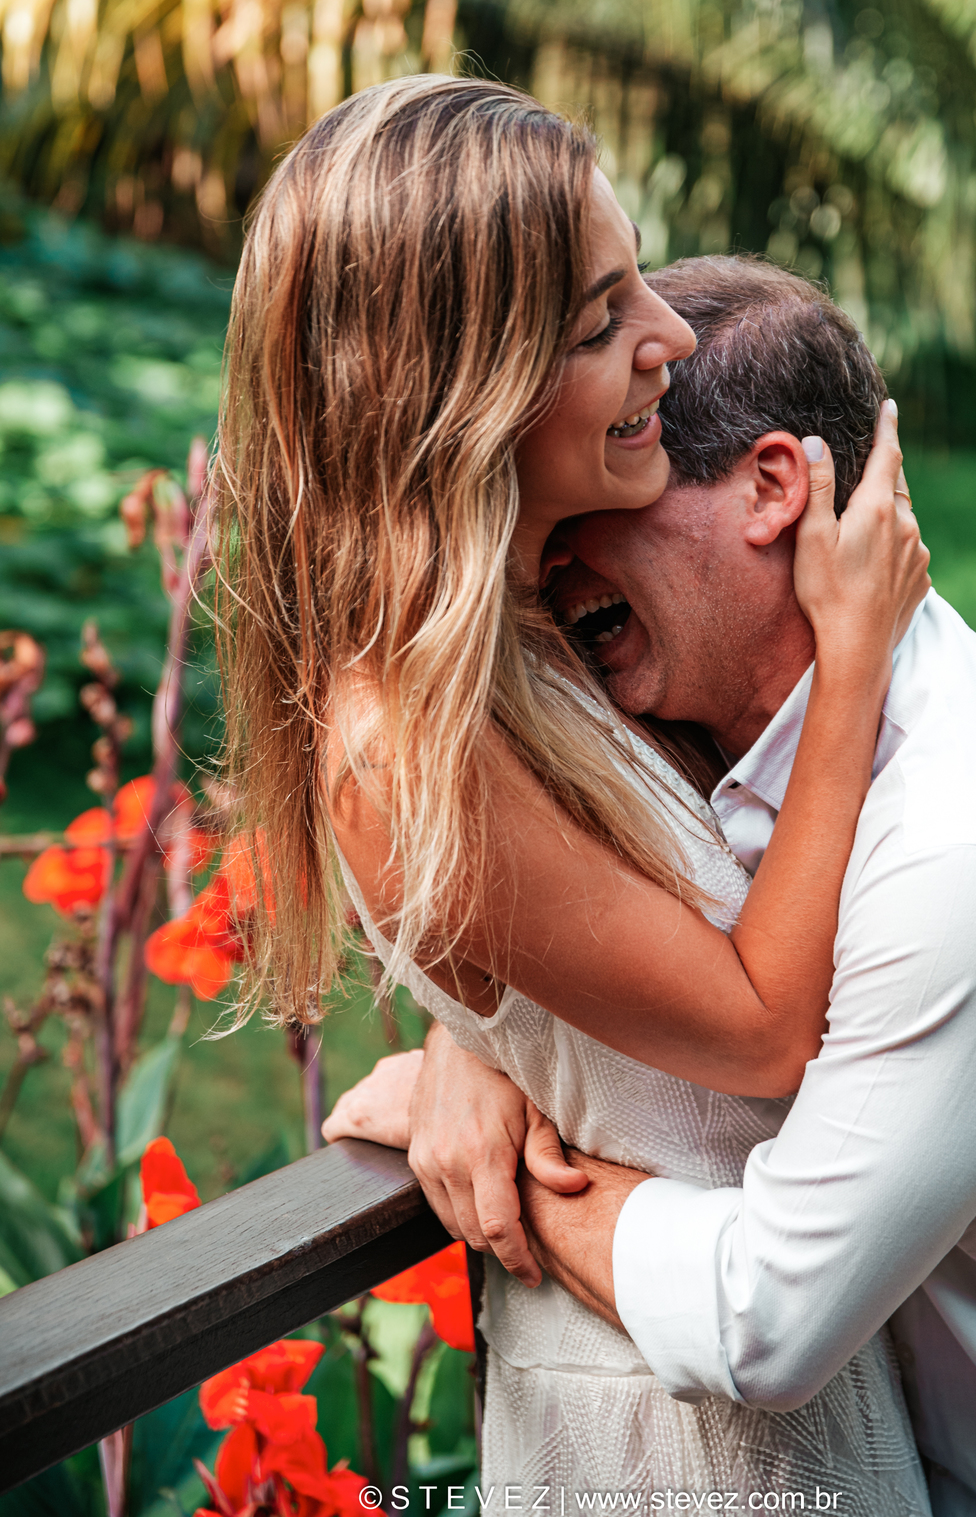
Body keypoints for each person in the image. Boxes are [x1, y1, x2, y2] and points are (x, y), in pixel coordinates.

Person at [333, 254, 976, 1517]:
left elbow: (763, 1320)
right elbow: (588, 943)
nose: (546, 564)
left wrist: (509, 1157)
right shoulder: (709, 722)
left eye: (603, 492)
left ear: (773, 487)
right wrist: (484, 1039)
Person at [215, 76, 931, 1509]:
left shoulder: (513, 636)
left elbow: (548, 957)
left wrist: (476, 1045)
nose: (670, 339)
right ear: (453, 391)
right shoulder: (403, 737)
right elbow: (758, 1025)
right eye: (603, 323)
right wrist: (852, 659)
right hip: (679, 1430)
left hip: (732, 1356)